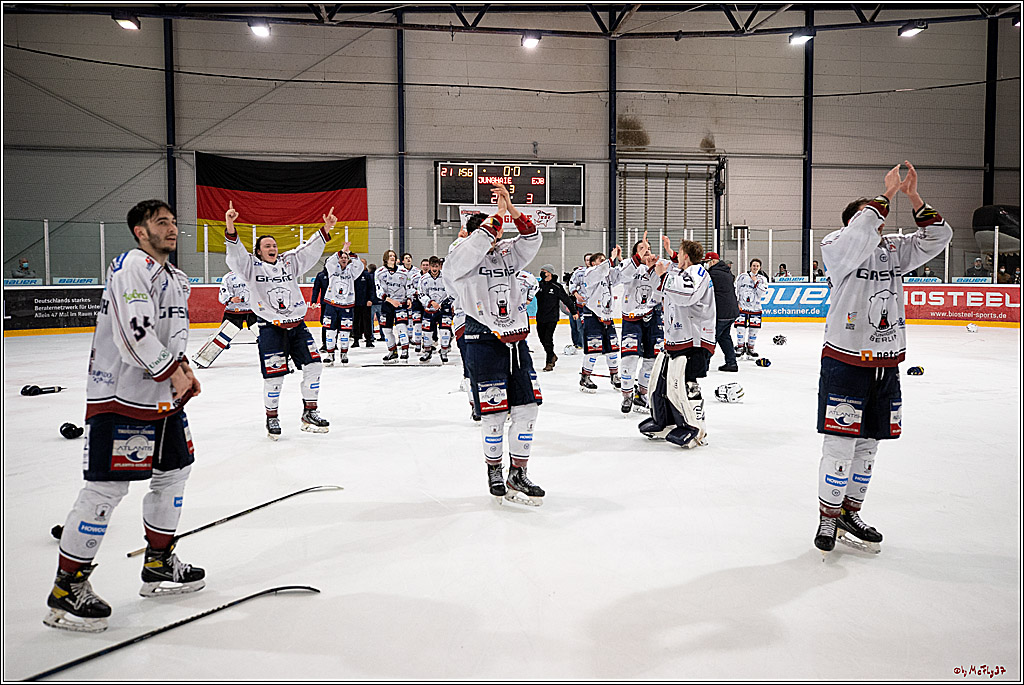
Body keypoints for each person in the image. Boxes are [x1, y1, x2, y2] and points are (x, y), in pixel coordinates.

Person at [45, 200, 204, 633]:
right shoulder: (131, 266)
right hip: (121, 397)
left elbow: (170, 333)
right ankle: (67, 587)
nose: (171, 229)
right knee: (105, 491)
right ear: (140, 230)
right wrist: (171, 371)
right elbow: (134, 331)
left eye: (173, 222)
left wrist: (183, 369)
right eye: (161, 223)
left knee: (174, 472)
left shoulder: (174, 276)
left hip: (161, 397)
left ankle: (157, 564)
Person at [813, 162, 953, 555]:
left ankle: (850, 512)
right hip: (845, 361)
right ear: (855, 222)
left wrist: (911, 196)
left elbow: (940, 235)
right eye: (873, 218)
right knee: (840, 445)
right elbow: (858, 233)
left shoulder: (893, 249)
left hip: (885, 364)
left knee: (869, 445)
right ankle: (827, 518)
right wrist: (886, 193)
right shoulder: (836, 247)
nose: (880, 226)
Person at [445, 184, 545, 505]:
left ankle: (518, 471)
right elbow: (465, 255)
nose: (497, 240)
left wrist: (513, 212)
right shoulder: (459, 257)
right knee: (493, 413)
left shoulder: (506, 253)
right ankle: (494, 470)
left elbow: (532, 240)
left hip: (517, 341)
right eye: (492, 234)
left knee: (528, 408)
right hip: (482, 338)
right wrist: (496, 218)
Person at [224, 201, 334, 439]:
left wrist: (325, 230)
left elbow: (306, 251)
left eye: (274, 244)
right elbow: (236, 254)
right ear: (259, 251)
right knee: (275, 376)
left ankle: (309, 412)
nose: (272, 247)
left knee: (315, 366)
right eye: (267, 245)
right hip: (270, 328)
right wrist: (231, 225)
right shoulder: (251, 267)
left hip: (298, 325)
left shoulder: (288, 262)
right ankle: (271, 417)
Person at [638, 239, 715, 448]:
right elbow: (660, 291)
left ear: (686, 256)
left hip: (695, 340)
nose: (676, 257)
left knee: (687, 385)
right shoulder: (681, 274)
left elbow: (687, 295)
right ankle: (666, 421)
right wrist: (654, 268)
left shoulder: (698, 272)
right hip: (677, 339)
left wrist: (663, 274)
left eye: (679, 254)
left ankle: (697, 428)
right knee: (663, 383)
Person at [616, 233, 662, 414]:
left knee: (652, 359)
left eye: (648, 249)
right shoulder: (628, 264)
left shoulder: (657, 266)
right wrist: (637, 258)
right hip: (632, 318)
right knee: (630, 358)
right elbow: (622, 277)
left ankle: (641, 393)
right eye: (642, 249)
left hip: (653, 316)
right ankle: (627, 396)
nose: (646, 252)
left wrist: (654, 269)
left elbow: (662, 288)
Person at [579, 247, 623, 393]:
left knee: (613, 348)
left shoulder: (607, 275)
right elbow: (601, 270)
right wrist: (611, 258)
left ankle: (615, 375)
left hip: (607, 315)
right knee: (593, 349)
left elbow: (621, 275)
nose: (604, 262)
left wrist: (620, 260)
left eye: (605, 260)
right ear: (592, 263)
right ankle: (585, 377)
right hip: (593, 314)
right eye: (600, 260)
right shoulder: (590, 273)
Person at [192, 270, 257, 368]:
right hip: (233, 312)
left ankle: (281, 357)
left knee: (266, 335)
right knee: (221, 338)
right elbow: (222, 295)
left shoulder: (254, 275)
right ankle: (203, 358)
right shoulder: (228, 277)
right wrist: (231, 299)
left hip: (253, 311)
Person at [321, 243, 365, 365]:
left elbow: (360, 266)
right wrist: (341, 251)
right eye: (342, 257)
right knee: (330, 330)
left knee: (345, 332)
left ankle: (344, 353)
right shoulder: (332, 268)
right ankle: (330, 354)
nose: (344, 259)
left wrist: (351, 255)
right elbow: (329, 261)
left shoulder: (352, 271)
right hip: (332, 303)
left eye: (346, 258)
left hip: (347, 304)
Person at [534, 263, 577, 372]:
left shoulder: (557, 287)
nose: (542, 273)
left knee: (548, 339)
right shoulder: (539, 285)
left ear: (549, 273)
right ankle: (552, 355)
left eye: (544, 271)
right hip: (540, 316)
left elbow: (566, 300)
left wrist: (574, 312)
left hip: (552, 317)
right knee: (541, 338)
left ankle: (549, 362)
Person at [375, 249, 413, 363]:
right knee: (386, 330)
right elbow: (378, 290)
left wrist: (410, 298)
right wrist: (390, 300)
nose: (392, 257)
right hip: (387, 304)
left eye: (393, 256)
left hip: (401, 304)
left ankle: (405, 350)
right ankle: (392, 351)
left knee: (402, 328)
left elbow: (409, 286)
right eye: (390, 256)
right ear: (385, 258)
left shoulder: (403, 271)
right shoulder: (379, 272)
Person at [705, 251, 740, 372]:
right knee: (725, 337)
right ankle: (732, 362)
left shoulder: (713, 274)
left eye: (707, 262)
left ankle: (703, 364)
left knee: (711, 338)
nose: (706, 265)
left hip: (722, 312)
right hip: (731, 311)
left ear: (713, 262)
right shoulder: (726, 271)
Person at [417, 255, 453, 363]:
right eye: (432, 266)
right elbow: (420, 293)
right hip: (429, 309)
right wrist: (430, 302)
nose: (434, 269)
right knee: (427, 333)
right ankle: (427, 352)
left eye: (436, 266)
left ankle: (444, 351)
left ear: (439, 266)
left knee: (445, 331)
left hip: (444, 308)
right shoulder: (423, 279)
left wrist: (445, 303)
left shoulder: (447, 278)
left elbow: (452, 292)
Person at [734, 258, 769, 359]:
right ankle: (740, 347)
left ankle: (751, 348)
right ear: (750, 266)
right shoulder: (742, 277)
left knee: (754, 329)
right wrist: (736, 303)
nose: (755, 268)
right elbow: (736, 289)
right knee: (740, 328)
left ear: (760, 267)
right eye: (754, 266)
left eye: (757, 266)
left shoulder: (762, 279)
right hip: (742, 307)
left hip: (755, 308)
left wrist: (756, 282)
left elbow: (761, 293)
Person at [565, 254, 591, 354]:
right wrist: (576, 294)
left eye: (590, 259)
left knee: (584, 326)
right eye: (587, 260)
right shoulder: (579, 273)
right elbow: (572, 286)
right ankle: (579, 343)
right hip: (579, 305)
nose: (588, 262)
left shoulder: (599, 272)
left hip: (592, 306)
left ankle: (588, 344)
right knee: (576, 325)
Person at [352, 258, 374, 347]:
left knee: (367, 321)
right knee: (356, 321)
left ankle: (368, 339)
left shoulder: (367, 275)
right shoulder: (353, 275)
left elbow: (371, 288)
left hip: (366, 302)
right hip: (355, 302)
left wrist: (370, 299)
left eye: (363, 263)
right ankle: (356, 339)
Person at [310, 264, 330, 351]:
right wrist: (313, 301)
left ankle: (334, 343)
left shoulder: (338, 274)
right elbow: (316, 289)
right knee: (325, 323)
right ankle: (325, 343)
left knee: (335, 324)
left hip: (336, 303)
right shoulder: (321, 275)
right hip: (325, 303)